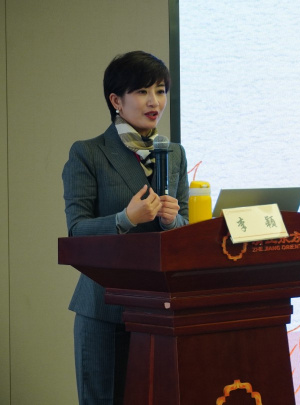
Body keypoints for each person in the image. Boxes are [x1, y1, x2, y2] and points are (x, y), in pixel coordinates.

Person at [62, 51, 189, 405]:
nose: (155, 102)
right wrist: (126, 218)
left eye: (161, 91)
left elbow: (186, 230)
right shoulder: (89, 153)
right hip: (105, 309)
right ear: (116, 100)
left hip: (161, 309)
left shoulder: (174, 153)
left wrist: (173, 221)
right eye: (142, 91)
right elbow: (77, 232)